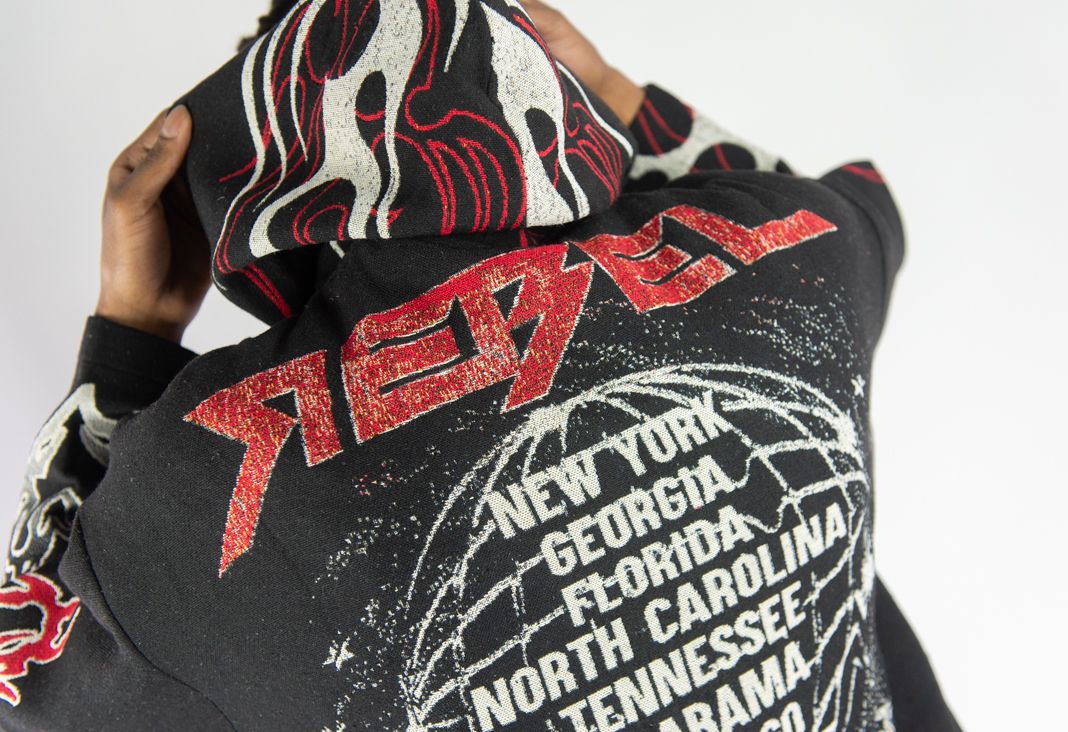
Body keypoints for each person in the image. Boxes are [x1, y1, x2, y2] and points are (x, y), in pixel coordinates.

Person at [0, 1, 961, 730]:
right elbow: (860, 210)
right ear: (539, 83)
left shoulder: (199, 487)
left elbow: (29, 677)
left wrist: (127, 338)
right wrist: (628, 100)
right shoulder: (799, 250)